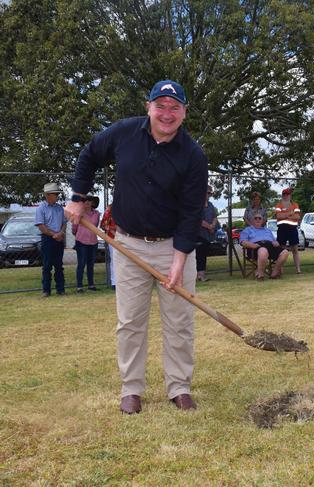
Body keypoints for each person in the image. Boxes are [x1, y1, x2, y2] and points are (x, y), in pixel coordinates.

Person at [65, 79, 208, 414]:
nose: (167, 113)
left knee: (180, 322)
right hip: (127, 244)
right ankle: (131, 389)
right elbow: (87, 156)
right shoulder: (123, 133)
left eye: (175, 107)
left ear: (184, 113)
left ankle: (180, 387)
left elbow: (191, 214)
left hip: (175, 247)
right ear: (149, 107)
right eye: (161, 105)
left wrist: (177, 263)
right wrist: (78, 198)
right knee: (130, 322)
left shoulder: (193, 156)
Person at [34, 182, 67, 297]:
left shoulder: (60, 208)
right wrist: (54, 235)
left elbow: (64, 223)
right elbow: (41, 226)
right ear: (48, 195)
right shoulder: (40, 208)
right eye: (55, 194)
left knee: (59, 265)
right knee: (47, 265)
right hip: (48, 239)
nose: (57, 196)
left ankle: (60, 290)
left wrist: (61, 233)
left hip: (59, 239)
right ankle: (46, 291)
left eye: (57, 194)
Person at [239, 214, 289, 280]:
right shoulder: (247, 230)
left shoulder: (267, 230)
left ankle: (274, 273)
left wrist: (276, 242)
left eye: (259, 218)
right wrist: (252, 245)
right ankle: (260, 275)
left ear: (262, 221)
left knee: (285, 252)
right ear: (252, 221)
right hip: (255, 247)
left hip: (270, 246)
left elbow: (274, 241)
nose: (257, 219)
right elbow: (242, 242)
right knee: (263, 250)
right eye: (255, 218)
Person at [71, 195, 100, 292]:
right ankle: (79, 286)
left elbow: (96, 226)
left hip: (93, 241)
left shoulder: (96, 214)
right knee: (81, 263)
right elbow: (74, 227)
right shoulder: (79, 213)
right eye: (85, 201)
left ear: (93, 203)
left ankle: (91, 285)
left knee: (91, 264)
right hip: (81, 241)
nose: (87, 202)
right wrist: (78, 234)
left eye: (89, 201)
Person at [274, 188, 301, 274]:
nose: (286, 196)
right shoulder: (279, 205)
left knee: (295, 250)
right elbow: (278, 216)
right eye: (284, 194)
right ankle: (281, 270)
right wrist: (290, 213)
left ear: (290, 196)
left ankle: (298, 270)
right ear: (282, 196)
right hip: (282, 229)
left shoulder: (295, 205)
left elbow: (297, 217)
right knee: (282, 250)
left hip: (292, 229)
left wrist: (284, 215)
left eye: (287, 194)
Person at [196, 187, 218, 282]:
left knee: (203, 254)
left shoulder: (211, 205)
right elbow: (198, 219)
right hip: (197, 234)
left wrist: (213, 225)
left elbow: (214, 216)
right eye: (206, 192)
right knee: (199, 254)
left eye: (209, 193)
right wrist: (209, 226)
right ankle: (199, 275)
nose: (208, 194)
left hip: (207, 235)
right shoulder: (197, 204)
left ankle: (201, 275)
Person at [100, 203, 117, 289]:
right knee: (114, 260)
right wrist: (111, 229)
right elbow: (103, 224)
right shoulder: (110, 208)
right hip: (113, 238)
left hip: (129, 238)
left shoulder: (130, 205)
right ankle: (114, 282)